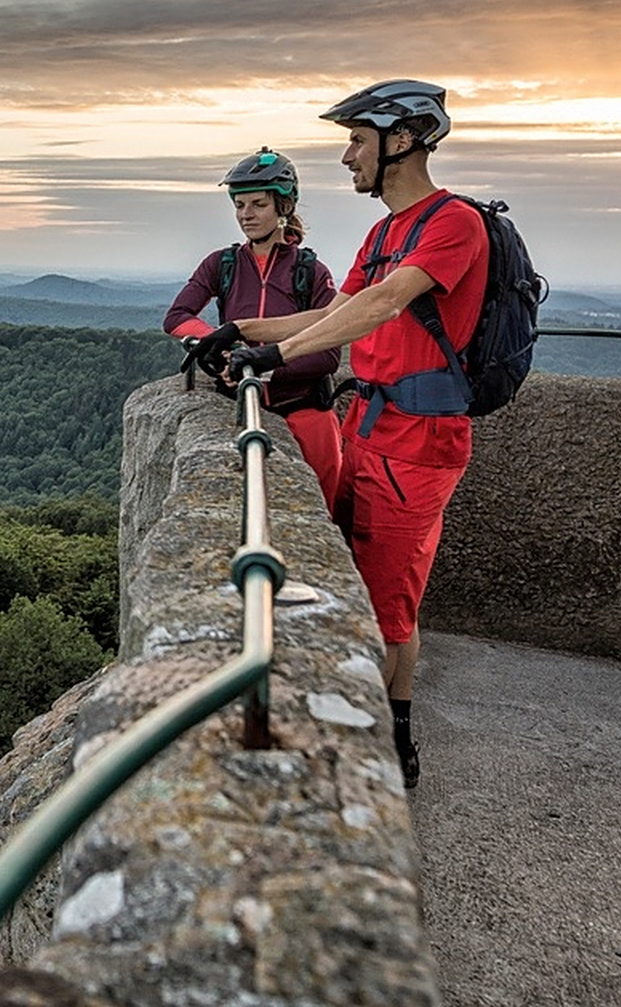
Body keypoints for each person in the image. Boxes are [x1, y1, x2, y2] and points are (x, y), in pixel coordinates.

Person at [188, 81, 487, 791]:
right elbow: (335, 311)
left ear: (403, 140)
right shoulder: (384, 233)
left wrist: (275, 356)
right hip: (369, 426)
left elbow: (383, 305)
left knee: (390, 601)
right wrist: (242, 333)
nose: (347, 155)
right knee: (353, 571)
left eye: (357, 139)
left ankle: (388, 734)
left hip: (418, 445)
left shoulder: (453, 223)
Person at [164, 148, 343, 513]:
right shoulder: (223, 264)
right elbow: (178, 316)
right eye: (240, 205)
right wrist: (218, 344)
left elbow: (328, 352)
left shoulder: (310, 271)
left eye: (258, 204)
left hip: (305, 410)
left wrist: (265, 366)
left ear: (283, 207)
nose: (246, 215)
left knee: (324, 513)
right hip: (238, 404)